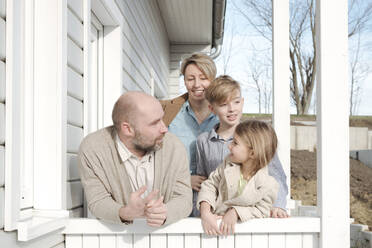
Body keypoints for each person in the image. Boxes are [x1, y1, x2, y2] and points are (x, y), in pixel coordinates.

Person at [78, 91, 192, 226]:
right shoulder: (93, 148)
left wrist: (165, 212)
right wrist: (125, 212)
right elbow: (97, 200)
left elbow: (184, 198)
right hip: (115, 237)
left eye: (162, 119)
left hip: (163, 236)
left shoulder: (174, 146)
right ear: (127, 129)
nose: (164, 128)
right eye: (155, 123)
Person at [196, 76, 289, 218]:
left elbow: (277, 177)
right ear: (212, 109)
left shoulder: (257, 137)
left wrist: (278, 205)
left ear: (243, 102)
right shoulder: (203, 142)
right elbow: (204, 182)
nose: (232, 109)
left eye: (236, 102)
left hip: (249, 215)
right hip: (218, 216)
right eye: (223, 105)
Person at [160, 53, 219, 216]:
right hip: (174, 198)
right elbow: (156, 158)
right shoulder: (168, 114)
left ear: (213, 80)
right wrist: (185, 179)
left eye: (203, 78)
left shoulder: (224, 116)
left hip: (214, 202)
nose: (197, 84)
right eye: (190, 78)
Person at [197, 120, 279, 236]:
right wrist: (205, 211)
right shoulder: (227, 165)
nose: (229, 146)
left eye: (235, 143)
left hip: (244, 237)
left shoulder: (268, 185)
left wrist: (235, 211)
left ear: (252, 153)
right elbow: (209, 185)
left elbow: (262, 211)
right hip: (214, 229)